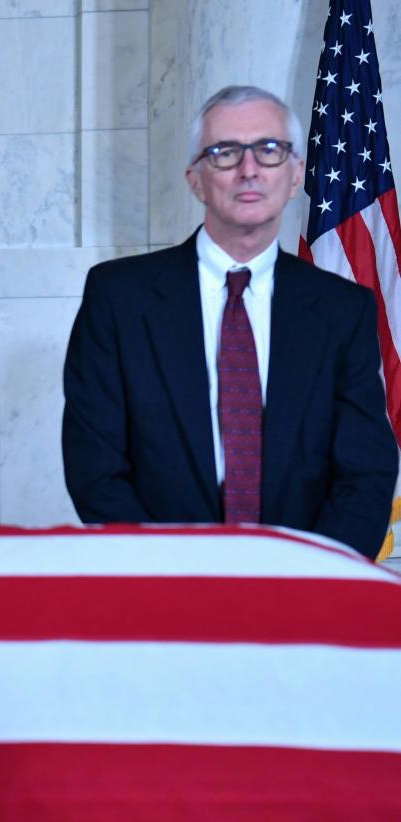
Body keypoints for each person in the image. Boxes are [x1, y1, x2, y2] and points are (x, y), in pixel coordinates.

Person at [62, 85, 397, 559]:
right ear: (195, 179)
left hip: (307, 592)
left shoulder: (344, 311)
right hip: (160, 586)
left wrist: (312, 577)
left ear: (296, 172)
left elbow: (365, 472)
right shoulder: (118, 298)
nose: (249, 169)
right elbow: (94, 467)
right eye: (224, 152)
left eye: (270, 149)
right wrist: (176, 574)